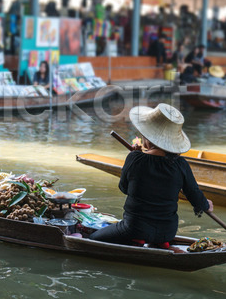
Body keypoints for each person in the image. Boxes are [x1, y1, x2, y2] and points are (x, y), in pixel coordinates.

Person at [90, 104, 213, 247]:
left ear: (147, 137)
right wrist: (205, 205)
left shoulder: (135, 158)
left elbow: (124, 188)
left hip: (135, 228)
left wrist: (133, 157)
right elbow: (194, 194)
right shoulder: (181, 164)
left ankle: (138, 240)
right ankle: (158, 243)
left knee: (93, 238)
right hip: (167, 232)